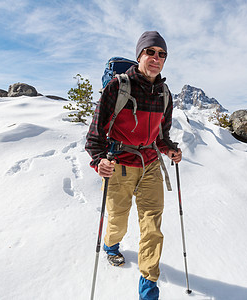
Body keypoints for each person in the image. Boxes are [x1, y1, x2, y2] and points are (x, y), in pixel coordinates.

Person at [85, 31, 182, 300]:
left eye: (162, 54)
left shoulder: (164, 93)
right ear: (139, 54)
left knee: (152, 227)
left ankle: (148, 288)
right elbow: (95, 134)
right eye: (150, 52)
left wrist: (171, 150)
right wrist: (99, 160)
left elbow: (162, 136)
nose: (156, 58)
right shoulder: (118, 86)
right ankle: (111, 245)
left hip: (150, 165)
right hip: (121, 165)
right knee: (117, 221)